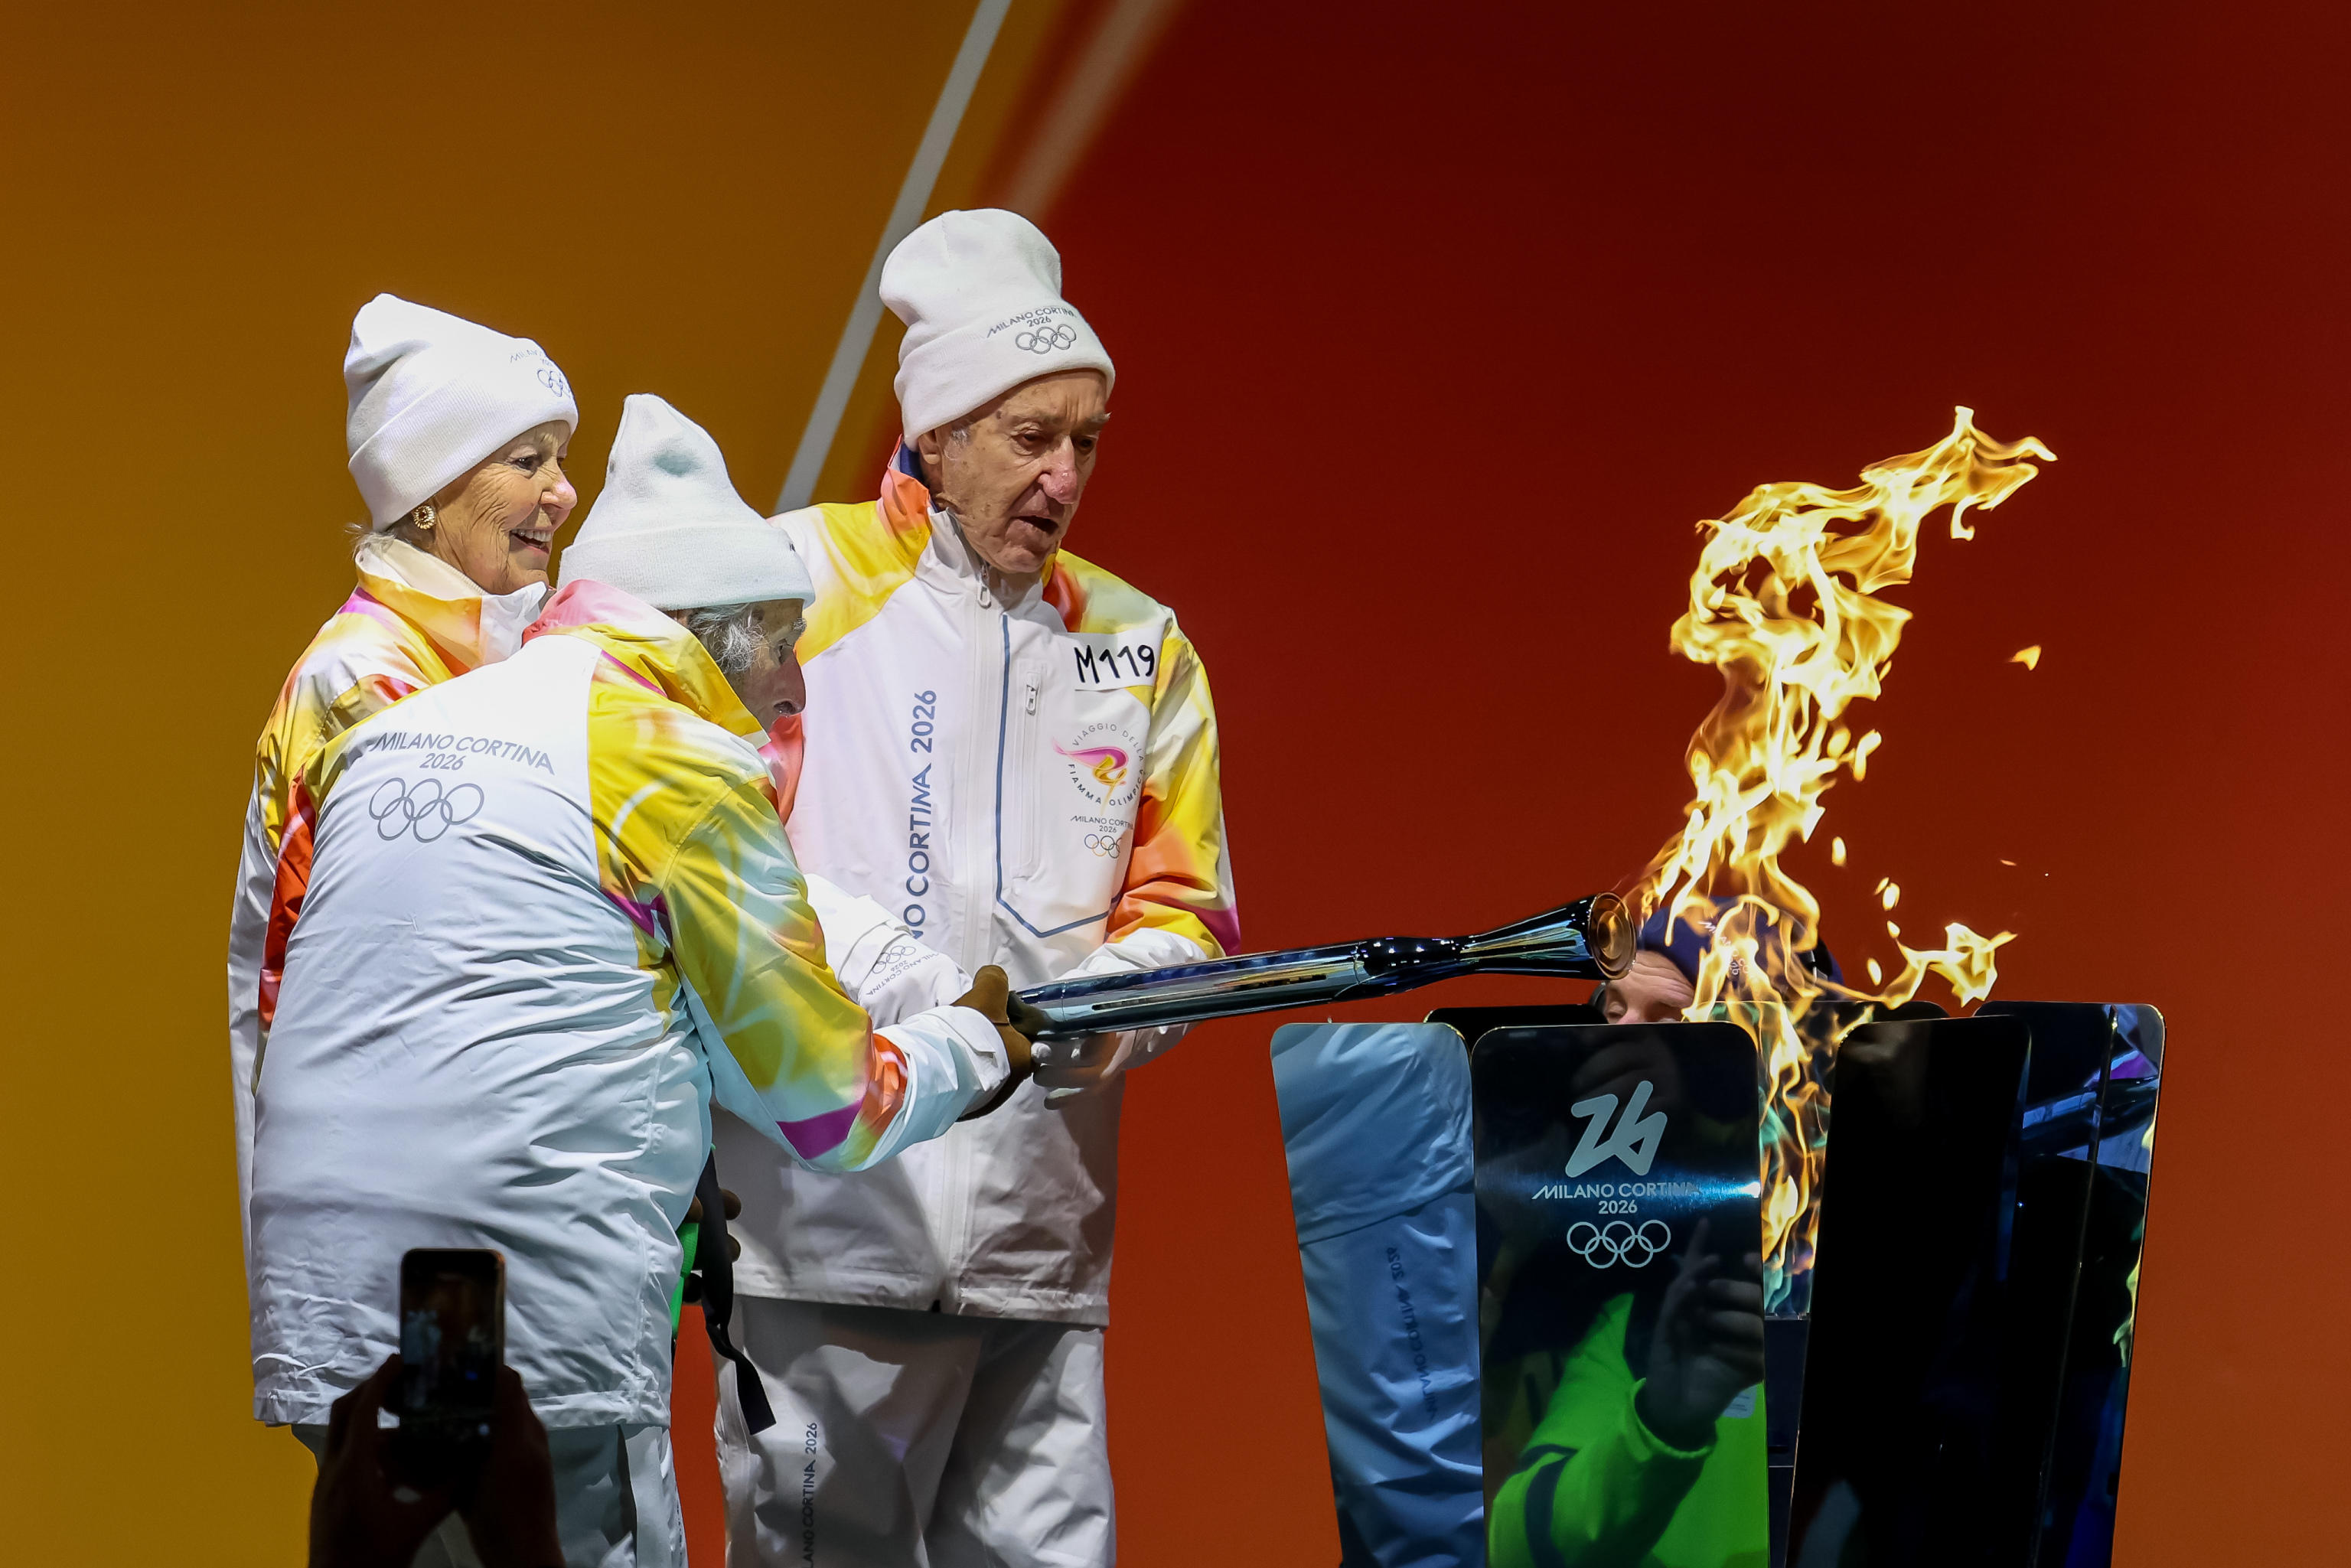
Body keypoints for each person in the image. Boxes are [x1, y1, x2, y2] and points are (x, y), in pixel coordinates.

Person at [248, 393, 1032, 1567]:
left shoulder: (413, 724)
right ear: (700, 631)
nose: (794, 690)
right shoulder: (673, 755)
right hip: (528, 1315)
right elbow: (828, 1099)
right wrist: (973, 1044)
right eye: (780, 641)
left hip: (334, 1309)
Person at [712, 209, 1238, 1566]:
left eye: (1089, 441)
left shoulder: (1142, 644)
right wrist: (916, 985)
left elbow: (1188, 913)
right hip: (830, 1231)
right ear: (934, 436)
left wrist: (1108, 1011)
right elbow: (721, 853)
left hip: (1041, 1239)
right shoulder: (786, 582)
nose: (1065, 478)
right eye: (1029, 438)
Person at [228, 294, 581, 1325]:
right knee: (442, 1484)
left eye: (561, 457)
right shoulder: (364, 682)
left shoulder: (495, 660)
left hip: (479, 1186)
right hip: (403, 1210)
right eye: (527, 459)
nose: (563, 493)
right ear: (427, 497)